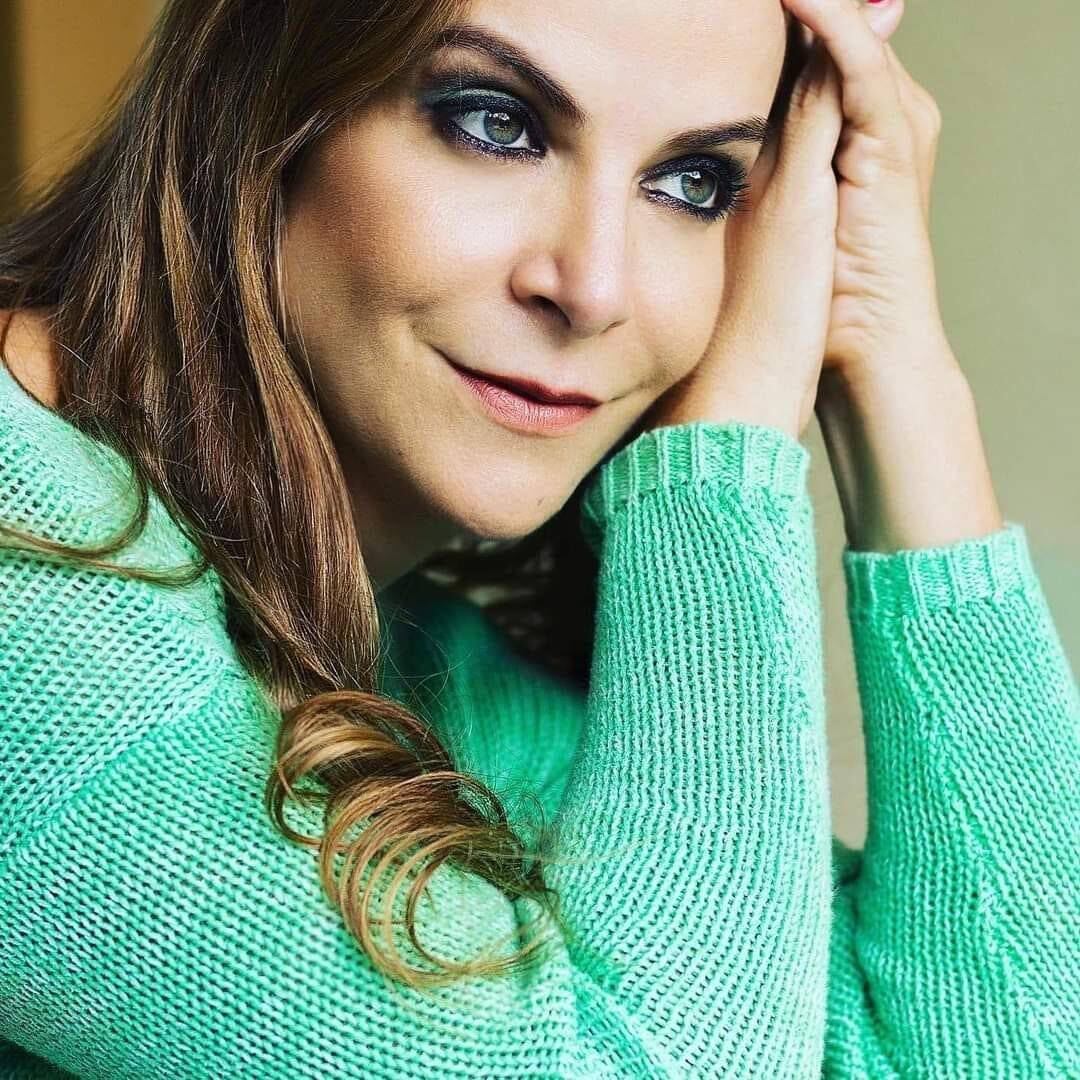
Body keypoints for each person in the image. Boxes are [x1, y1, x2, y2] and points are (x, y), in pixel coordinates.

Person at [1, 0, 1076, 1075]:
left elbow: (1008, 1052)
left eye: (695, 183)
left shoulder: (428, 671)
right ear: (265, 99)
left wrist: (891, 351)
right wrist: (726, 446)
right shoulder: (25, 584)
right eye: (495, 122)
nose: (594, 289)